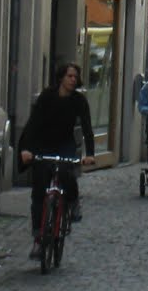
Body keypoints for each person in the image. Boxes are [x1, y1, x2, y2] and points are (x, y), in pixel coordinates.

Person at [19, 62, 95, 260]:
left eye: (75, 77)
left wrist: (91, 154)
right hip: (43, 143)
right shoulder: (47, 96)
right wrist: (26, 149)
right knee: (39, 191)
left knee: (66, 172)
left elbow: (87, 128)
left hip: (64, 143)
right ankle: (37, 239)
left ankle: (73, 200)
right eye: (69, 76)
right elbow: (33, 123)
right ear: (61, 77)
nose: (72, 80)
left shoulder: (79, 100)